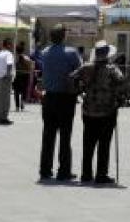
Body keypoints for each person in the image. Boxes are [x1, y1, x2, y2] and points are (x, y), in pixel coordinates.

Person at [71, 40, 125, 185]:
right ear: (107, 54)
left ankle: (86, 174)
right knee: (104, 144)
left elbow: (72, 77)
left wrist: (80, 92)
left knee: (88, 144)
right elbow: (121, 82)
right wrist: (117, 97)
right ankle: (101, 174)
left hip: (89, 111)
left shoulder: (86, 67)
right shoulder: (112, 68)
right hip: (107, 112)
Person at [39, 24, 82, 181]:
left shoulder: (44, 53)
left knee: (48, 135)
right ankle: (64, 170)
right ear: (63, 36)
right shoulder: (71, 53)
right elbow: (80, 71)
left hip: (49, 98)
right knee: (65, 136)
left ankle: (45, 169)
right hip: (65, 98)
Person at [0, 38, 14, 125]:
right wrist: (8, 75)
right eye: (11, 44)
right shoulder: (8, 54)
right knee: (5, 99)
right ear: (8, 45)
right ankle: (4, 118)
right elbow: (9, 64)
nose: (12, 46)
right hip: (5, 78)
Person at [13, 42, 33, 111]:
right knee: (24, 90)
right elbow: (30, 67)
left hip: (17, 75)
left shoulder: (14, 58)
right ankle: (22, 102)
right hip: (25, 75)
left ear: (16, 50)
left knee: (16, 91)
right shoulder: (26, 57)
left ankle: (17, 106)